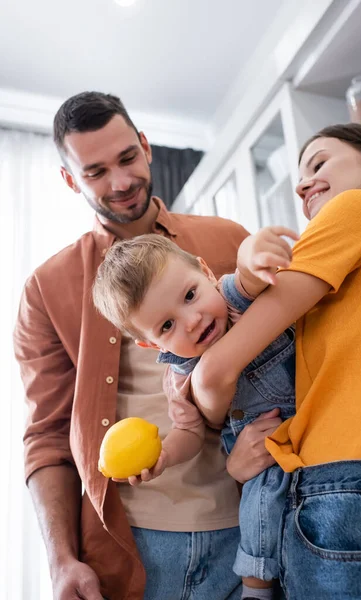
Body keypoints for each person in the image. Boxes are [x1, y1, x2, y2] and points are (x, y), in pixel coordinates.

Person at [13, 91, 280, 600]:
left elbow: (297, 358)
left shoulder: (229, 242)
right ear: (71, 180)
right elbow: (46, 435)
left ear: (146, 146)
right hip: (131, 544)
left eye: (127, 158)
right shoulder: (45, 289)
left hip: (254, 519)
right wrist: (60, 559)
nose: (120, 182)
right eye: (95, 172)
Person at [189, 123, 361, 600]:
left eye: (319, 163)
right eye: (298, 179)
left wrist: (200, 396)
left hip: (348, 487)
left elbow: (216, 371)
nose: (303, 184)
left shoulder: (358, 207)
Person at [92, 226, 298, 600]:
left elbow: (248, 278)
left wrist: (253, 254)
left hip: (311, 410)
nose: (192, 320)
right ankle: (257, 589)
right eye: (167, 325)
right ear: (148, 342)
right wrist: (166, 455)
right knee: (259, 507)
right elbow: (190, 431)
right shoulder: (179, 379)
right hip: (264, 451)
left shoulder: (231, 300)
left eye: (190, 295)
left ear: (206, 272)